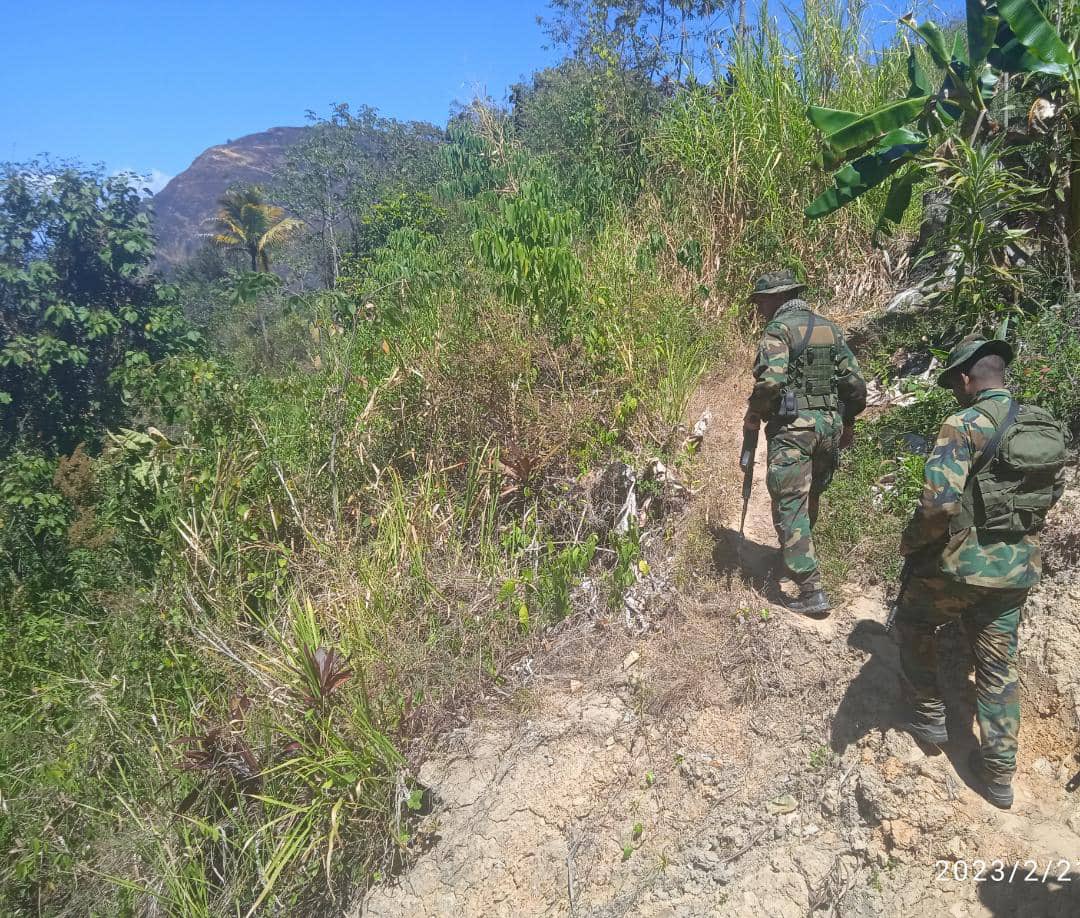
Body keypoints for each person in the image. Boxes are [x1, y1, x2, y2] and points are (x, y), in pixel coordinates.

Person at [895, 335, 1067, 809]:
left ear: (967, 378)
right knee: (997, 669)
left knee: (913, 622)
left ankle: (928, 715)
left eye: (955, 383)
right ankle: (999, 775)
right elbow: (1052, 493)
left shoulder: (964, 424)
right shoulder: (1041, 425)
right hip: (1016, 571)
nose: (956, 391)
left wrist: (913, 544)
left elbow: (938, 505)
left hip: (962, 567)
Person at [743, 270, 867, 615]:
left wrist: (755, 413)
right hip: (828, 429)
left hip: (794, 430)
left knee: (790, 502)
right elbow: (856, 386)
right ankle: (790, 558)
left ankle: (811, 589)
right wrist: (847, 422)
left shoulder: (779, 329)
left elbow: (771, 382)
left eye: (762, 301)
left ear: (778, 297)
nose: (760, 308)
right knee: (809, 496)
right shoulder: (830, 329)